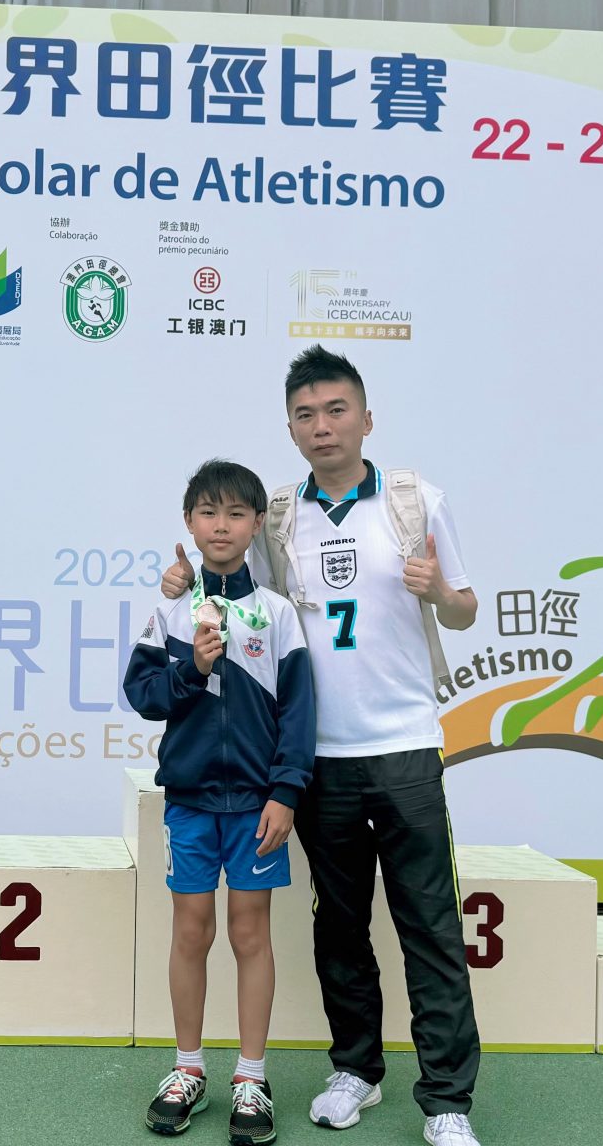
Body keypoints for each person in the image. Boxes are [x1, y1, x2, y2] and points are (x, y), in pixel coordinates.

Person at [161, 346, 487, 1146]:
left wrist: (440, 593)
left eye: (336, 410)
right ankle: (356, 1073)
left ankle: (447, 1103)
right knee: (339, 927)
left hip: (405, 747)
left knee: (429, 926)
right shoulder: (276, 516)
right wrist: (179, 587)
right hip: (316, 759)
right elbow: (233, 587)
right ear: (291, 429)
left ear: (366, 418)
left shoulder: (415, 500)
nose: (322, 426)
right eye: (305, 415)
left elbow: (466, 607)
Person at [125, 459, 315, 1145]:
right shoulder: (171, 610)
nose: (222, 525)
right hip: (190, 802)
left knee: (250, 934)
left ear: (257, 524)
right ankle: (187, 1069)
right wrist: (194, 667)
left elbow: (298, 713)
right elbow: (143, 695)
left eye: (236, 513)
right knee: (190, 932)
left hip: (258, 807)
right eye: (208, 512)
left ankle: (252, 1077)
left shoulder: (278, 615)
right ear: (189, 522)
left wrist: (285, 792)